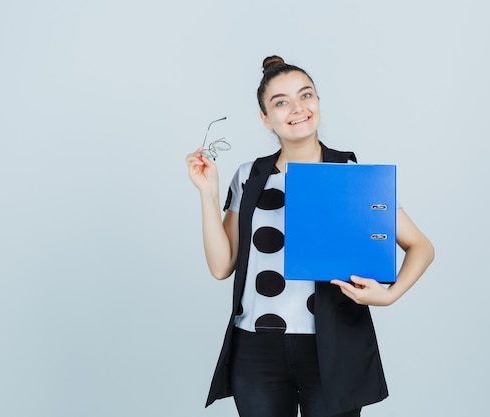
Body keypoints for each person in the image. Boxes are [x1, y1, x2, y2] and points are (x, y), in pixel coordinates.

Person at [185, 55, 435, 417]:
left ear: (317, 102)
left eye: (306, 95)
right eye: (281, 102)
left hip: (332, 348)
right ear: (265, 118)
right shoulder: (249, 176)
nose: (297, 108)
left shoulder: (351, 175)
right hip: (256, 350)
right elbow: (222, 266)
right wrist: (208, 194)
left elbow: (421, 247)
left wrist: (389, 295)